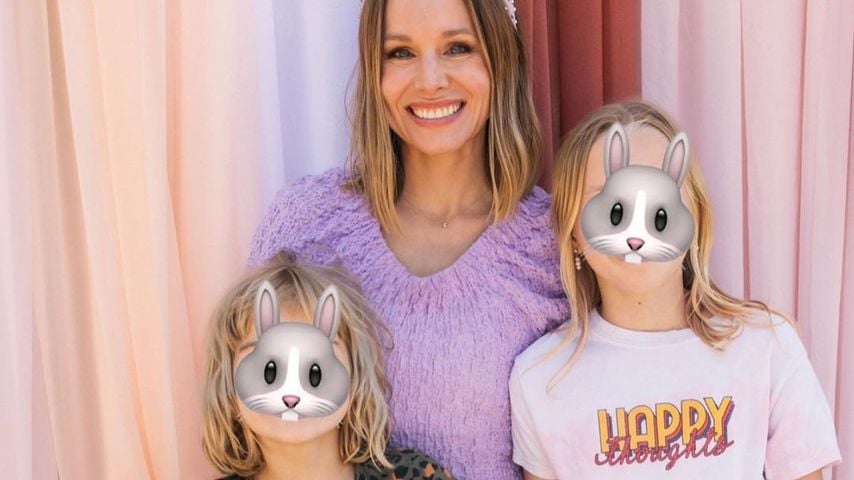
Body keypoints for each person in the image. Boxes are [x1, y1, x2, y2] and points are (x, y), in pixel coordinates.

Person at [248, 0, 568, 477]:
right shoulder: (304, 223)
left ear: (502, 58)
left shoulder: (555, 247)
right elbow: (247, 422)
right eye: (400, 53)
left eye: (458, 48)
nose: (430, 79)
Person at [509, 100, 842, 479]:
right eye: (614, 207)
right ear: (572, 232)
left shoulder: (767, 347)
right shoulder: (539, 378)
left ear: (694, 217)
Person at [202, 253, 455, 479]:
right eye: (270, 368)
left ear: (355, 380)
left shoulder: (416, 475)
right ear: (228, 388)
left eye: (315, 367)